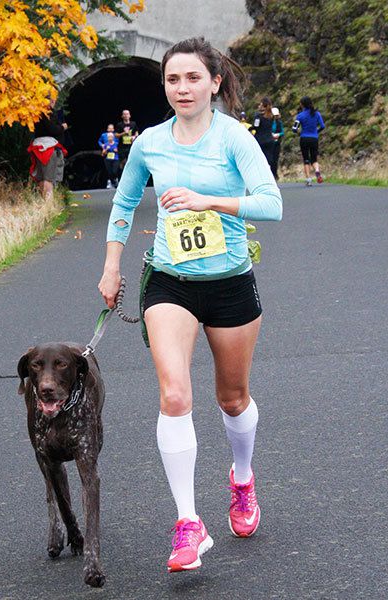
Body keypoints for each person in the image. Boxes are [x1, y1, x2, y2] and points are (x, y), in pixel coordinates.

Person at [97, 37, 282, 573]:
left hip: (228, 281)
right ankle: (187, 523)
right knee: (174, 394)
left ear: (215, 82)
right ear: (165, 85)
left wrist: (209, 201)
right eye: (173, 79)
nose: (182, 88)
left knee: (232, 398)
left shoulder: (234, 140)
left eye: (193, 78)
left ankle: (242, 479)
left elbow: (271, 203)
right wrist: (111, 265)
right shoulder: (150, 143)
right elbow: (126, 202)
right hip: (169, 281)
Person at [27, 96, 68, 200]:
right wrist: (63, 127)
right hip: (48, 148)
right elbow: (52, 129)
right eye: (52, 100)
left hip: (37, 147)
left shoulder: (35, 112)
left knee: (41, 178)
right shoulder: (47, 113)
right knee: (48, 178)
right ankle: (49, 204)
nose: (54, 102)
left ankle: (43, 202)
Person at [292, 96, 325, 186]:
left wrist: (298, 132)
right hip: (314, 138)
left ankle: (308, 179)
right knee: (314, 158)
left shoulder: (300, 115)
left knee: (306, 159)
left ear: (302, 105)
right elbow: (322, 126)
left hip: (304, 138)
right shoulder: (317, 114)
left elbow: (294, 128)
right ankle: (317, 172)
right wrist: (316, 132)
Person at [250, 97, 275, 169]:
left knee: (259, 158)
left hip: (260, 140)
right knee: (269, 158)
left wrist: (248, 129)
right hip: (270, 139)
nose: (258, 106)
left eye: (260, 104)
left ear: (262, 106)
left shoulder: (258, 116)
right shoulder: (271, 116)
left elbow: (256, 126)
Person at [270, 106, 285, 180]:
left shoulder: (279, 123)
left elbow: (282, 132)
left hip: (277, 142)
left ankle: (275, 174)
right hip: (270, 142)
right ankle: (270, 174)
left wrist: (278, 134)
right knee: (270, 159)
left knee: (275, 159)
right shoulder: (268, 122)